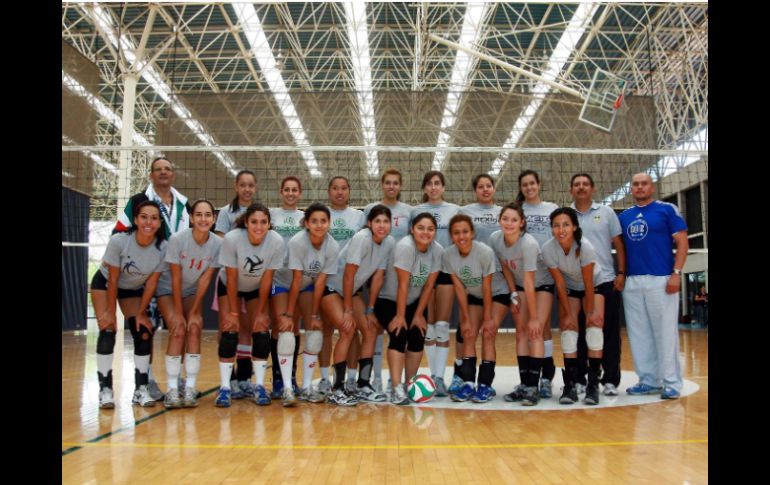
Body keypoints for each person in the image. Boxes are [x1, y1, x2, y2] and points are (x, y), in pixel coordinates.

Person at [113, 156, 191, 401]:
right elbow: (119, 232)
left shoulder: (183, 203)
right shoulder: (138, 201)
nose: (163, 173)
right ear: (151, 175)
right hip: (146, 274)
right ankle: (146, 381)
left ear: (173, 174)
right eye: (158, 170)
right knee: (145, 328)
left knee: (181, 327)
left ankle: (176, 379)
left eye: (168, 169)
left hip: (174, 274)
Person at [619, 173, 689, 400]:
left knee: (665, 333)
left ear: (652, 186)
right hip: (633, 281)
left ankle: (671, 383)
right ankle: (648, 380)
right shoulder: (625, 215)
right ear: (632, 189)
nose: (639, 187)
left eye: (644, 183)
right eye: (636, 184)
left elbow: (682, 242)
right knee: (639, 334)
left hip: (661, 279)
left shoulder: (666, 209)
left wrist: (676, 273)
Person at [93, 201, 168, 408]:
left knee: (143, 331)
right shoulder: (120, 241)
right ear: (135, 220)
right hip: (106, 283)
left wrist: (142, 312)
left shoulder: (163, 248)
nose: (148, 222)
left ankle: (140, 389)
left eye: (154, 218)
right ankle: (105, 390)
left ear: (159, 223)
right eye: (144, 217)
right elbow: (114, 281)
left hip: (133, 289)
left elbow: (151, 283)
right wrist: (109, 312)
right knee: (107, 329)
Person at [321, 205, 395, 405]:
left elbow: (379, 276)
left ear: (391, 224)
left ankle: (363, 384)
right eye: (377, 221)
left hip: (351, 291)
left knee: (370, 329)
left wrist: (370, 309)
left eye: (386, 221)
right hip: (331, 288)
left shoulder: (388, 243)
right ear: (370, 223)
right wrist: (347, 310)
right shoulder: (362, 238)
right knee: (348, 329)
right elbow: (348, 275)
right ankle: (337, 389)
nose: (381, 225)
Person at [214, 203, 285, 407]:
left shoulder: (276, 241)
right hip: (230, 285)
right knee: (230, 329)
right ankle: (226, 387)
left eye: (263, 222)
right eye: (254, 221)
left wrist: (262, 311)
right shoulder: (232, 238)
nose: (259, 226)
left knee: (261, 329)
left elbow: (267, 280)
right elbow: (232, 277)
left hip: (256, 287)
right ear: (246, 222)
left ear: (269, 224)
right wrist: (233, 313)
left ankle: (260, 386)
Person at [156, 199, 222, 408]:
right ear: (191, 218)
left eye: (208, 215)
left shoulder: (217, 244)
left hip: (192, 291)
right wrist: (177, 312)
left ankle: (190, 388)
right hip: (168, 290)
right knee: (177, 329)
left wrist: (193, 311)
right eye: (199, 215)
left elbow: (205, 279)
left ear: (214, 219)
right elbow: (175, 278)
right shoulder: (177, 239)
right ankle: (172, 390)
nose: (203, 219)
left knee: (194, 327)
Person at [375, 213, 443, 404]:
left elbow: (429, 286)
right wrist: (400, 315)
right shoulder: (405, 247)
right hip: (389, 300)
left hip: (414, 301)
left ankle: (409, 385)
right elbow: (402, 285)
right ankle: (396, 388)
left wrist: (420, 314)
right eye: (421, 228)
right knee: (399, 333)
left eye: (430, 229)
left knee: (417, 336)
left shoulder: (437, 250)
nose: (425, 232)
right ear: (412, 229)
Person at [569, 173, 627, 396]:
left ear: (593, 188)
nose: (581, 188)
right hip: (576, 283)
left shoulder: (607, 212)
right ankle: (581, 379)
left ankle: (610, 379)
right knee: (580, 332)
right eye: (577, 185)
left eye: (585, 184)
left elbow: (618, 245)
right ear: (571, 190)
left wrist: (621, 272)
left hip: (605, 281)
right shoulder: (567, 215)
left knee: (609, 333)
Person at [443, 214, 510, 403]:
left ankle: (485, 386)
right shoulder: (448, 255)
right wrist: (464, 318)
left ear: (472, 233)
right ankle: (468, 384)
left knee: (488, 333)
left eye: (465, 231)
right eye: (456, 233)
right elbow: (459, 289)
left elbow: (487, 287)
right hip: (474, 295)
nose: (461, 236)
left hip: (497, 294)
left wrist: (488, 318)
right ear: (451, 236)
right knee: (468, 333)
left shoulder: (484, 252)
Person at [543, 207, 604, 405]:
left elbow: (588, 283)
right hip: (569, 286)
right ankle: (569, 383)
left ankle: (593, 384)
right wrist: (568, 314)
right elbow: (560, 284)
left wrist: (591, 311)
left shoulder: (585, 247)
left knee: (594, 327)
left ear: (575, 227)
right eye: (556, 225)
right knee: (568, 329)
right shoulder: (548, 249)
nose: (561, 229)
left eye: (566, 225)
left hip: (593, 285)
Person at [282, 203, 340, 404]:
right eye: (314, 221)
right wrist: (289, 315)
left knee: (315, 330)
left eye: (323, 221)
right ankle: (287, 388)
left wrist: (314, 315)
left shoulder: (332, 246)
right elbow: (295, 280)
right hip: (282, 284)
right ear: (306, 223)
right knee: (286, 330)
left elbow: (320, 283)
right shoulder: (298, 242)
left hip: (307, 286)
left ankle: (306, 387)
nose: (319, 225)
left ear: (329, 223)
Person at [411, 170, 461, 397]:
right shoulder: (416, 212)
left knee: (441, 325)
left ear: (443, 187)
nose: (433, 187)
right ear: (424, 188)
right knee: (428, 328)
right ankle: (432, 374)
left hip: (446, 270)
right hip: (423, 271)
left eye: (437, 183)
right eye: (429, 184)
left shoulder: (454, 211)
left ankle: (439, 377)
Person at [363, 169, 413, 393]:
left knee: (398, 329)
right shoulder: (369, 209)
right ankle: (376, 379)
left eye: (396, 183)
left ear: (400, 186)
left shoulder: (409, 211)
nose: (392, 186)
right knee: (375, 328)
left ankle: (397, 381)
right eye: (388, 183)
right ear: (382, 185)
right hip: (377, 272)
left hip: (401, 273)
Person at [489, 203, 543, 406]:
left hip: (540, 285)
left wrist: (535, 318)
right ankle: (524, 385)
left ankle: (533, 388)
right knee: (520, 332)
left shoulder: (528, 243)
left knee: (534, 331)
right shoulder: (495, 238)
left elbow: (530, 281)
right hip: (520, 285)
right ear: (499, 220)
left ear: (522, 222)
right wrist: (513, 294)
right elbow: (505, 267)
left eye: (514, 220)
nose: (509, 223)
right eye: (505, 219)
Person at [214, 170, 258, 400]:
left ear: (255, 187)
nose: (247, 189)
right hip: (229, 275)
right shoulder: (225, 213)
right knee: (228, 327)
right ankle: (228, 378)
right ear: (236, 186)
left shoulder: (257, 214)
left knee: (247, 329)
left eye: (251, 185)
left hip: (251, 278)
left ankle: (244, 378)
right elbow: (221, 241)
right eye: (243, 185)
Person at [319, 176, 366, 395]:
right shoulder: (320, 215)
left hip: (351, 282)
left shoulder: (359, 216)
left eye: (344, 188)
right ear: (329, 192)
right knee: (325, 332)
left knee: (352, 330)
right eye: (335, 188)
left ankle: (351, 379)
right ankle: (324, 379)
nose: (339, 192)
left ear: (349, 191)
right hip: (325, 280)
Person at [516, 169, 559, 398]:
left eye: (532, 183)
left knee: (543, 328)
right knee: (527, 330)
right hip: (524, 276)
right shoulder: (518, 211)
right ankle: (530, 379)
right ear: (521, 188)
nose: (529, 187)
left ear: (539, 184)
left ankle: (546, 378)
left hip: (546, 275)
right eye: (525, 184)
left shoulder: (551, 208)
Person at [269, 176, 306, 400]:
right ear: (281, 192)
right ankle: (277, 379)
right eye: (287, 190)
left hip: (299, 278)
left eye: (294, 190)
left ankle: (291, 377)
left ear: (299, 193)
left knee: (294, 327)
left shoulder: (304, 217)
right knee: (280, 325)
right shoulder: (272, 215)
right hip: (278, 277)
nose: (291, 193)